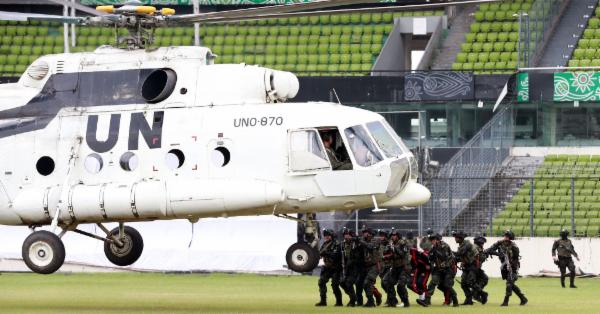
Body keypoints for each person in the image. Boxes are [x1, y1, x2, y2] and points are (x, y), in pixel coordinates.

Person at [485, 230, 527, 307]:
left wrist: (511, 265)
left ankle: (506, 301)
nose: (505, 238)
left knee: (509, 283)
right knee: (511, 284)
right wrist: (498, 254)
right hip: (504, 267)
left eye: (507, 237)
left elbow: (516, 258)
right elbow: (490, 250)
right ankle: (523, 298)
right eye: (504, 236)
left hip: (512, 267)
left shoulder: (514, 246)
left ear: (510, 238)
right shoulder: (499, 243)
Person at [417, 233, 458, 307]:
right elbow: (431, 258)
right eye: (431, 240)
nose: (431, 242)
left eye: (432, 240)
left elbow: (449, 259)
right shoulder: (433, 248)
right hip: (438, 269)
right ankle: (426, 301)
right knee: (432, 283)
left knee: (447, 285)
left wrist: (443, 265)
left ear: (436, 240)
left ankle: (454, 299)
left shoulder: (444, 246)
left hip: (448, 269)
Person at [382, 229, 411, 307]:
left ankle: (406, 302)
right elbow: (386, 252)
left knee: (400, 285)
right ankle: (392, 301)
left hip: (404, 267)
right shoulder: (391, 243)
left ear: (398, 236)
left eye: (394, 235)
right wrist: (386, 256)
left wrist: (394, 248)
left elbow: (402, 254)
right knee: (388, 283)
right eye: (392, 236)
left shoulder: (403, 242)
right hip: (395, 267)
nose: (393, 237)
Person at [452, 231, 481, 305]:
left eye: (456, 237)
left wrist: (449, 252)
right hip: (467, 266)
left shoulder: (467, 244)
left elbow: (460, 254)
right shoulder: (461, 245)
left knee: (470, 282)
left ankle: (482, 294)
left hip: (473, 265)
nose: (455, 239)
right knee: (463, 284)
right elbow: (459, 257)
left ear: (460, 238)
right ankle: (469, 300)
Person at [315, 228, 343, 307]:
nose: (326, 237)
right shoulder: (324, 244)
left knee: (334, 285)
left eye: (328, 235)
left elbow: (336, 256)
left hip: (336, 268)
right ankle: (323, 301)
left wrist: (326, 253)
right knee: (321, 282)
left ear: (332, 236)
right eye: (325, 236)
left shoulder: (337, 244)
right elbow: (320, 254)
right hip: (327, 267)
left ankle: (339, 302)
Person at [359, 227, 381, 307]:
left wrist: (360, 241)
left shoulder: (375, 240)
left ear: (370, 234)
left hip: (375, 265)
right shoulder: (363, 241)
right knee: (367, 284)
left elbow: (370, 246)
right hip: (367, 266)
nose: (364, 234)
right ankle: (377, 296)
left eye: (366, 232)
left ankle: (371, 301)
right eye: (364, 232)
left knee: (367, 282)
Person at [340, 228, 359, 306]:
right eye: (345, 235)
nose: (346, 237)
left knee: (349, 283)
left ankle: (352, 300)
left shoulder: (355, 244)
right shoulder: (343, 244)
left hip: (356, 267)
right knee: (342, 282)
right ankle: (353, 297)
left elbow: (358, 256)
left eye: (347, 235)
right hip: (347, 267)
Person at [376, 229, 392, 306]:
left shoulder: (390, 244)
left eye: (383, 235)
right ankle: (390, 297)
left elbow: (393, 254)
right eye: (381, 235)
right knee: (383, 284)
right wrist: (379, 266)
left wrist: (386, 257)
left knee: (385, 282)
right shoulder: (379, 244)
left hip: (390, 266)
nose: (381, 237)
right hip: (383, 267)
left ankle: (390, 299)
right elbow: (378, 256)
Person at [473, 236, 489, 304]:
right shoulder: (476, 248)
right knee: (473, 282)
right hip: (473, 268)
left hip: (476, 268)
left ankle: (476, 295)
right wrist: (485, 255)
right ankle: (476, 295)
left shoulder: (477, 247)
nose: (483, 244)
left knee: (483, 279)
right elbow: (481, 258)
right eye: (482, 243)